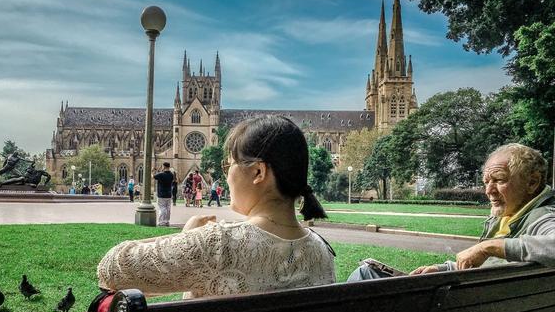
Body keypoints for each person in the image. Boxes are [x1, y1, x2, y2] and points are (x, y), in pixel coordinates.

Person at [97, 115, 336, 298]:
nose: (227, 175)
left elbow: (111, 269)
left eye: (229, 164)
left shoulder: (217, 244)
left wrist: (189, 236)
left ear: (258, 172)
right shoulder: (322, 252)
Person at [348, 143, 555, 282]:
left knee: (363, 275)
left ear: (532, 182)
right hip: (474, 309)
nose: (488, 190)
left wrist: (487, 246)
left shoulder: (542, 217)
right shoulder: (512, 216)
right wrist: (444, 268)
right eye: (486, 182)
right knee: (368, 272)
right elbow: (489, 265)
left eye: (499, 180)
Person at [153, 162, 174, 226]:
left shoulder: (161, 174)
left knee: (162, 208)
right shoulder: (171, 175)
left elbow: (153, 176)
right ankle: (167, 221)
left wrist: (152, 171)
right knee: (168, 208)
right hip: (169, 194)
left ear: (164, 167)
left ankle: (162, 222)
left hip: (161, 194)